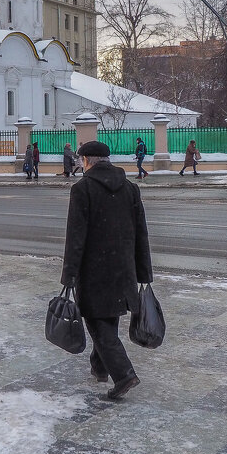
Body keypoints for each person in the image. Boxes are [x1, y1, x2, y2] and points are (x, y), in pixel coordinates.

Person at [61, 141, 152, 401]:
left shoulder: (82, 189)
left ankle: (123, 375)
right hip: (124, 270)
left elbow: (75, 238)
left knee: (98, 324)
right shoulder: (130, 188)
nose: (80, 164)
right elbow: (140, 233)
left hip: (94, 272)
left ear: (87, 160)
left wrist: (69, 275)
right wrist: (143, 272)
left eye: (81, 161)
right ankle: (99, 367)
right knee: (108, 318)